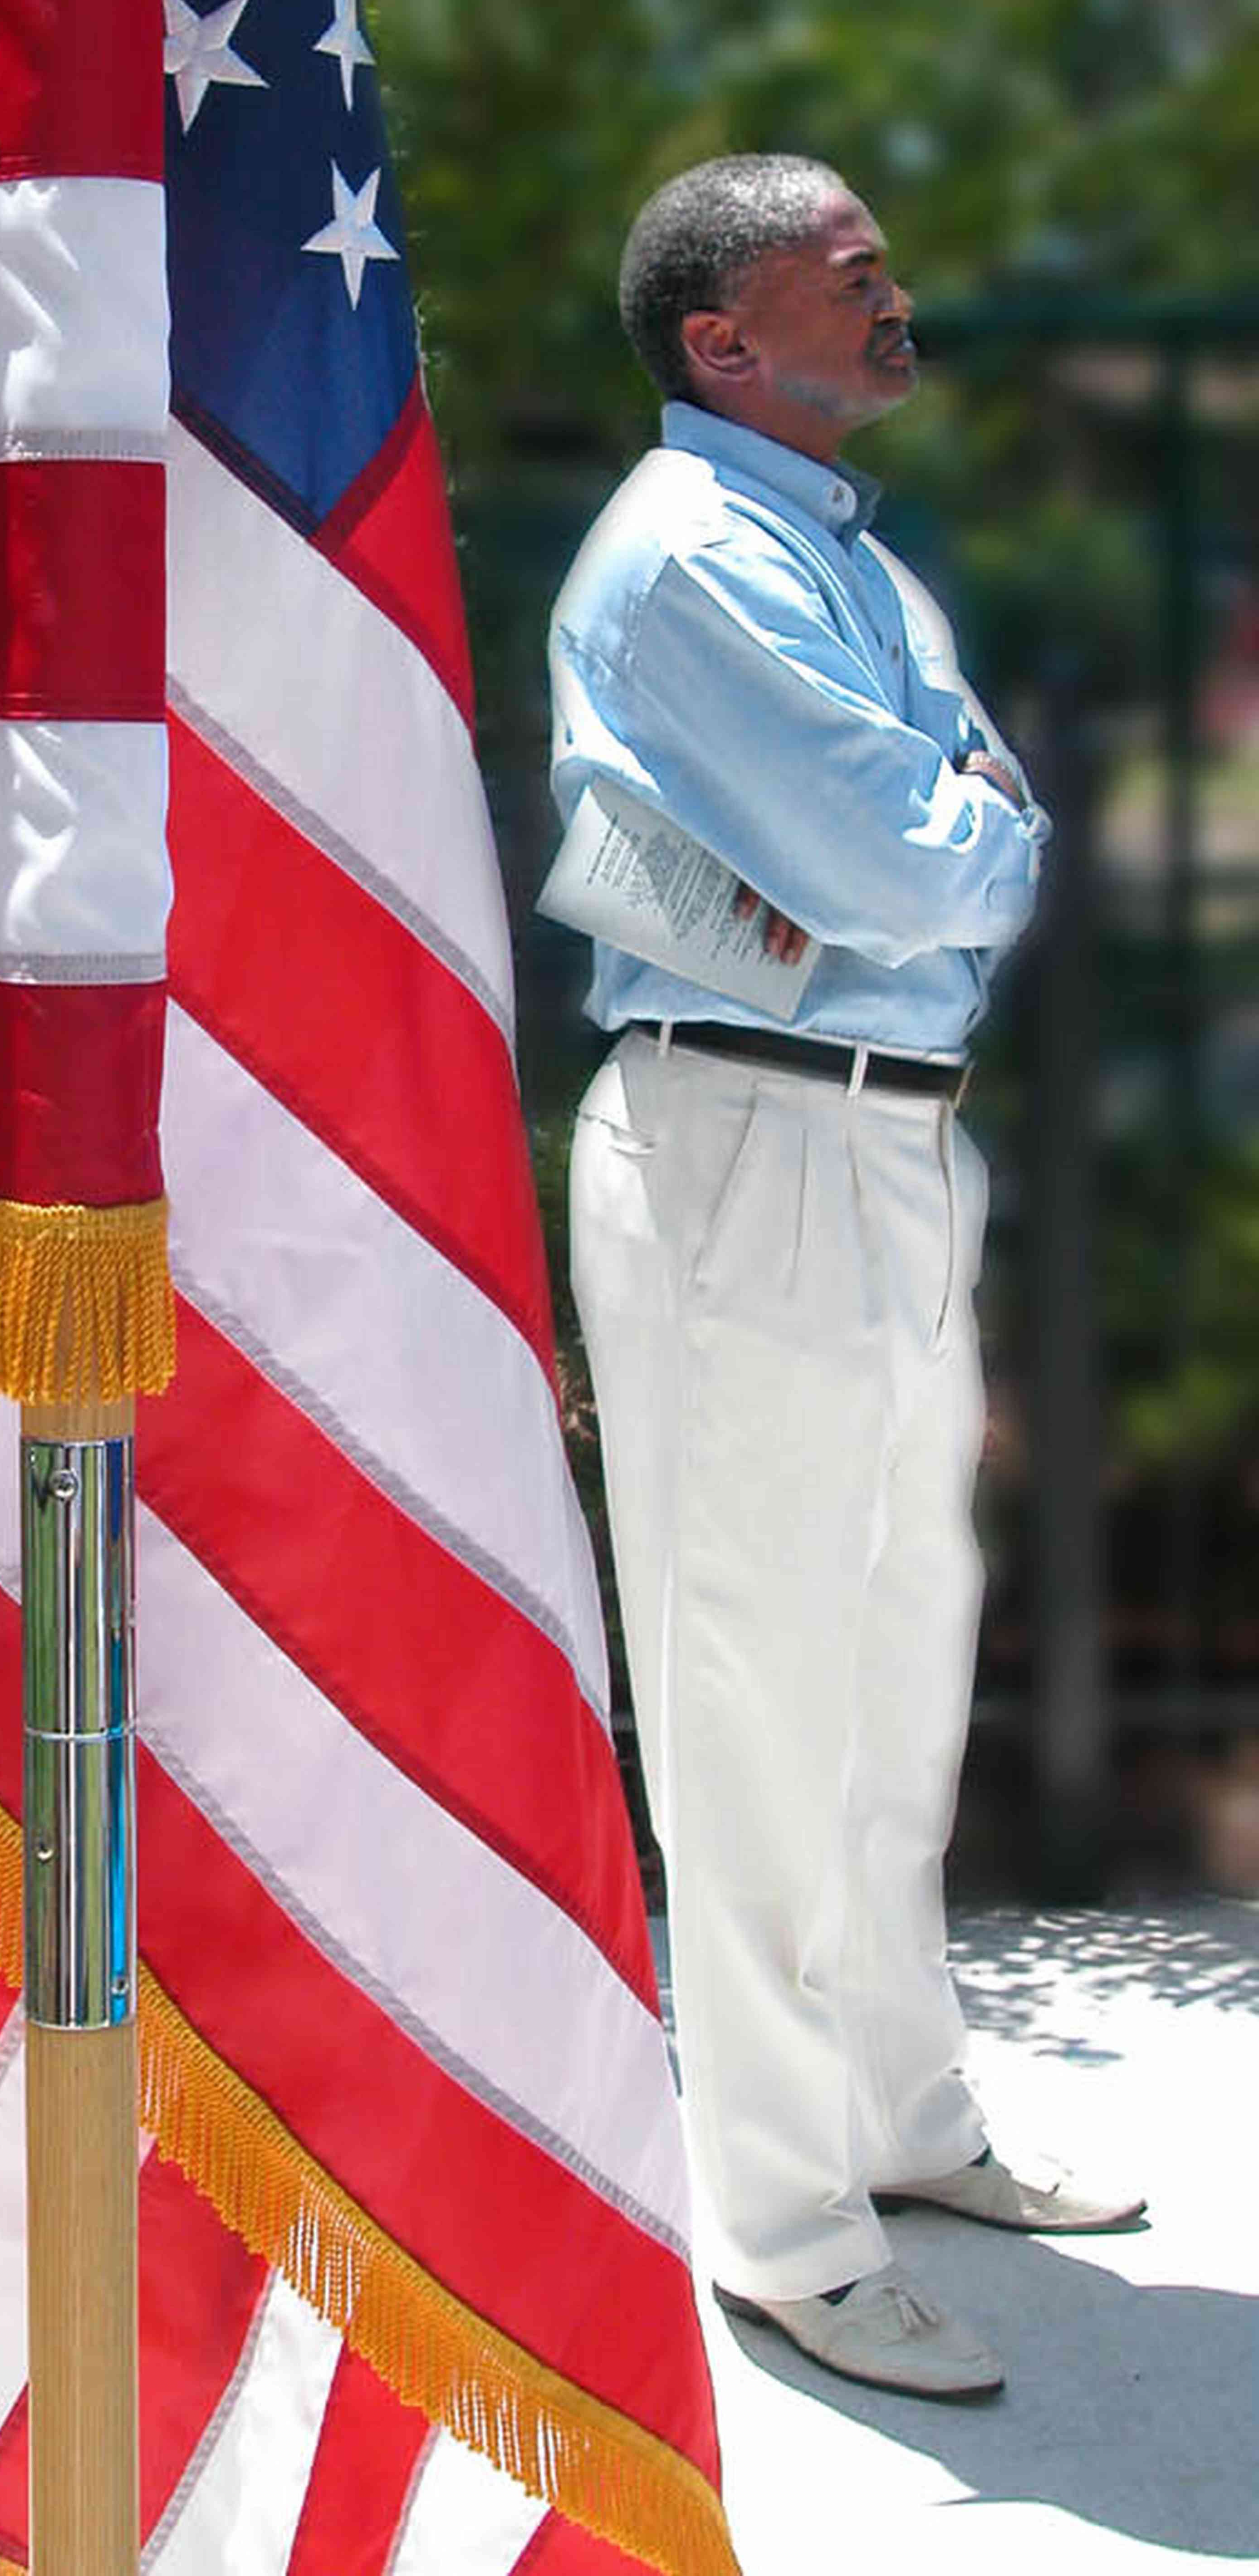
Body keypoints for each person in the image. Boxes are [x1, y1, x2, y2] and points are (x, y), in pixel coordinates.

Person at [548, 154, 1142, 2401]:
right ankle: (783, 2225)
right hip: (748, 1140)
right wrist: (964, 819)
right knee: (758, 1688)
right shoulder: (698, 560)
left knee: (897, 1654)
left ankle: (901, 2122)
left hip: (875, 1141)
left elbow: (924, 860)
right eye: (850, 272)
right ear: (722, 339)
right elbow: (915, 853)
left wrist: (943, 829)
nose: (897, 295)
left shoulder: (827, 556)